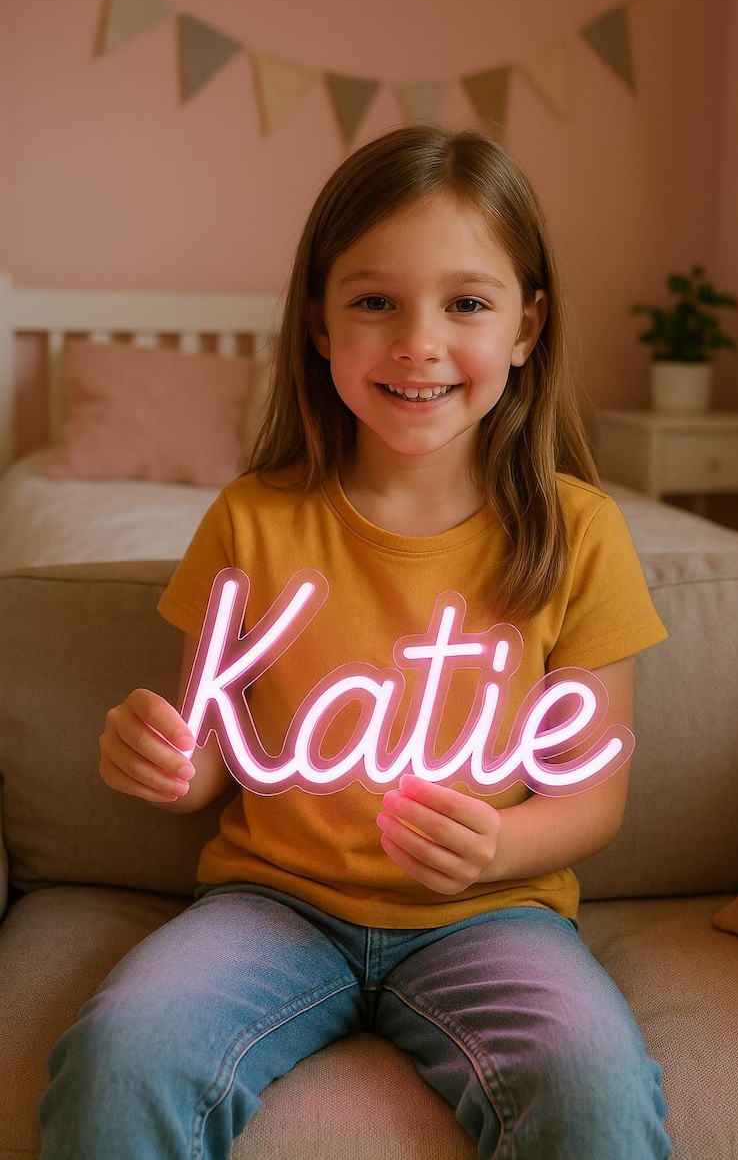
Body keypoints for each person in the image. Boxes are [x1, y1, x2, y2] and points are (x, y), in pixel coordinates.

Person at [39, 124, 672, 1159]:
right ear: (319, 325)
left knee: (593, 1086)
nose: (418, 341)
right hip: (271, 903)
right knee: (122, 1054)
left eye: (466, 303)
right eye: (375, 301)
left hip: (494, 912)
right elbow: (214, 747)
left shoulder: (581, 533)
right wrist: (165, 760)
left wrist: (498, 845)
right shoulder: (251, 520)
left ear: (527, 326)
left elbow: (593, 796)